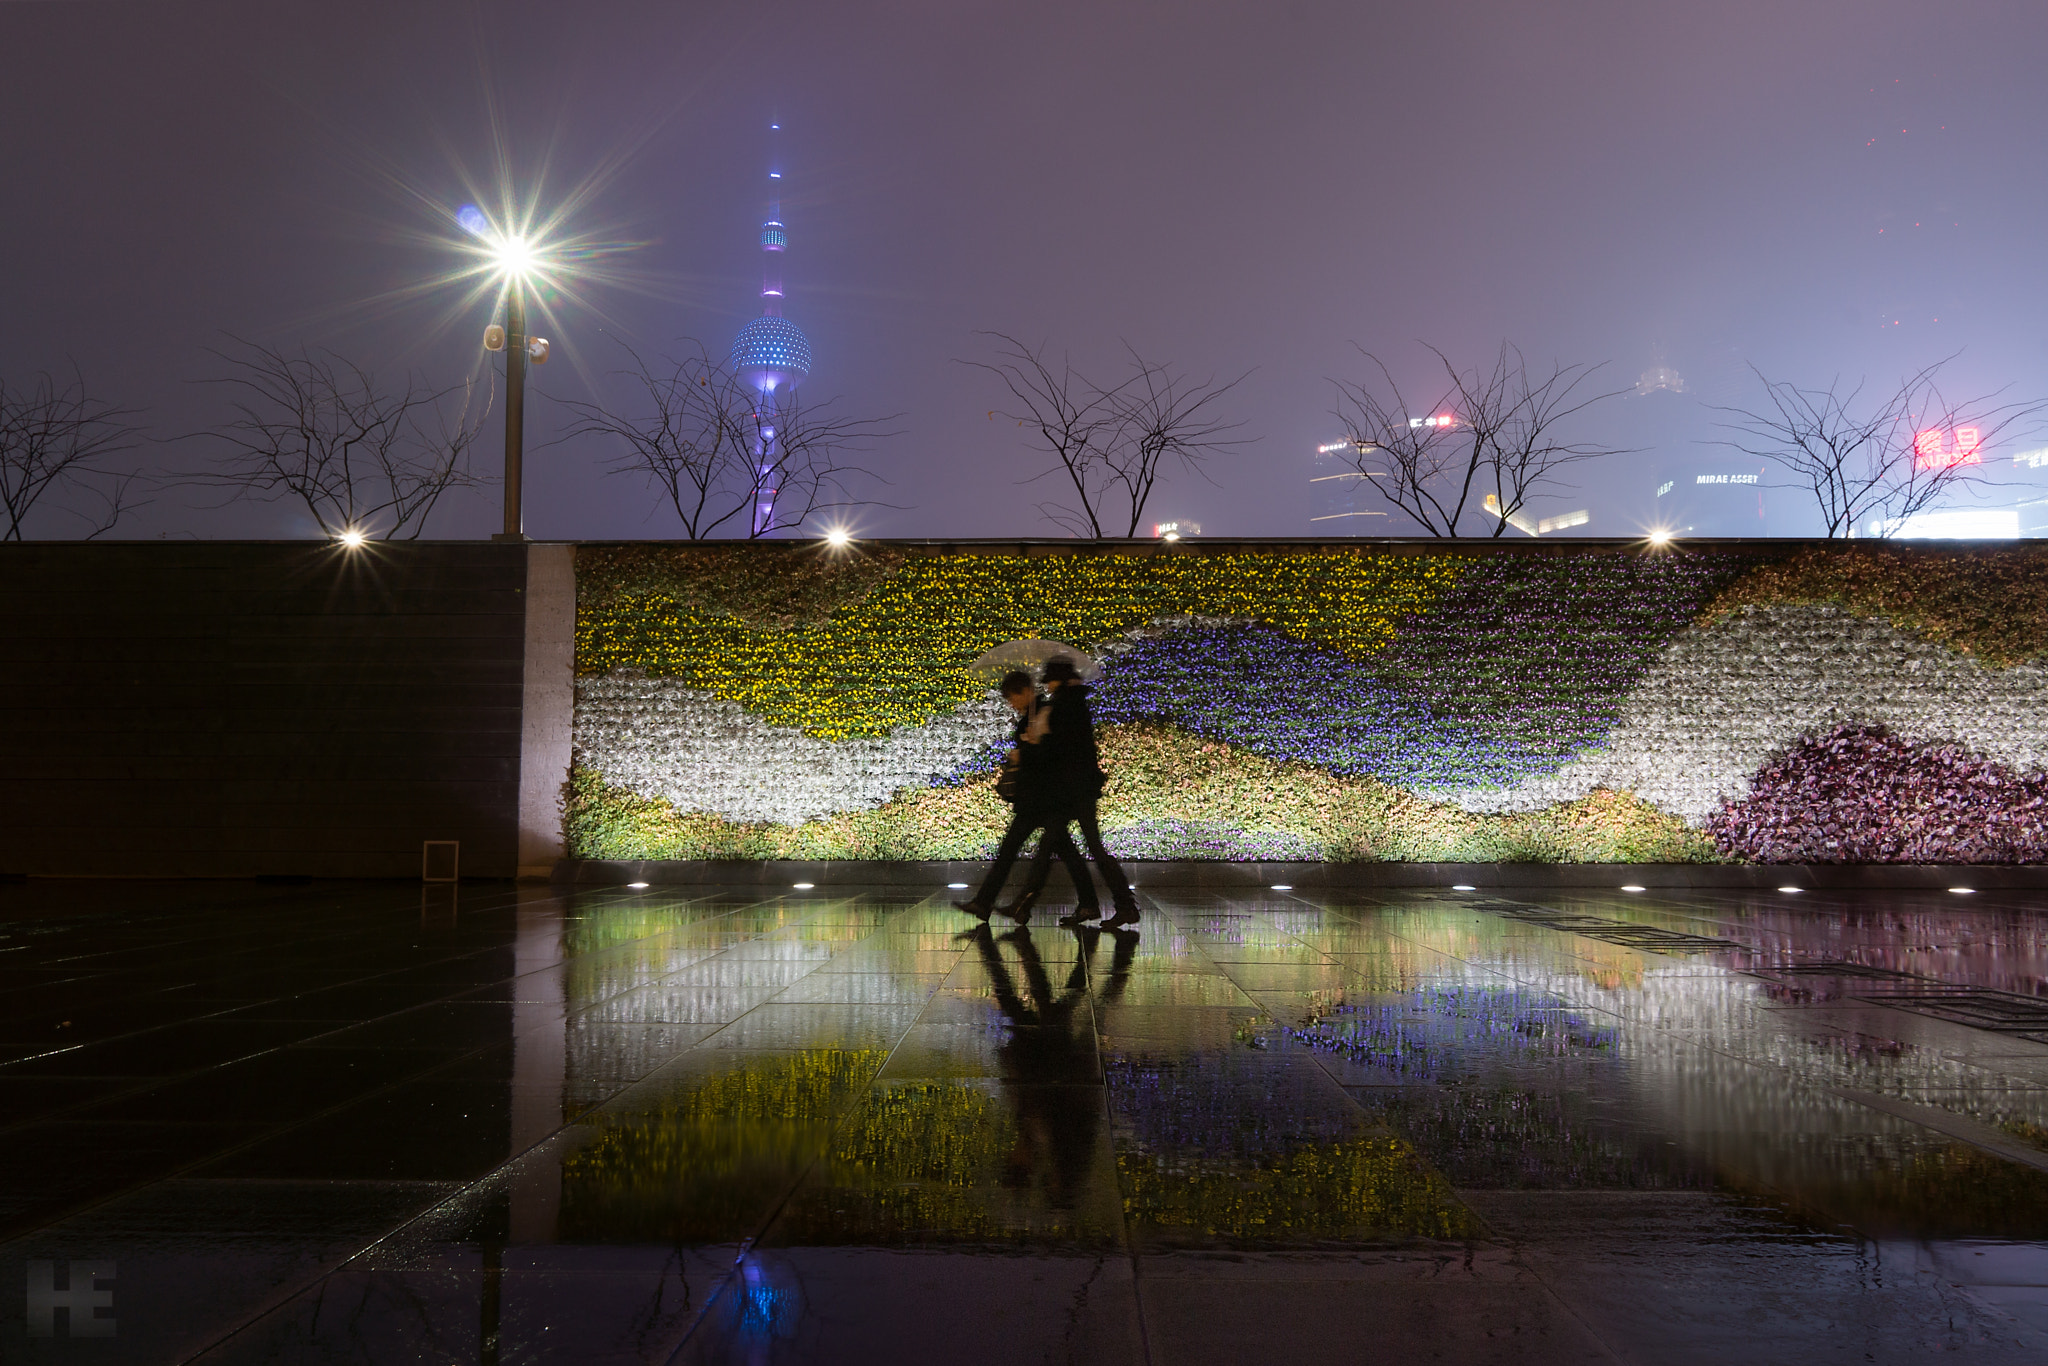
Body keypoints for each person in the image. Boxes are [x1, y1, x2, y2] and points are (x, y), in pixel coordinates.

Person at [954, 670, 1096, 924]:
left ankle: (1078, 904)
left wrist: (1026, 752)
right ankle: (987, 902)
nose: (1013, 704)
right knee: (1013, 850)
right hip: (1033, 799)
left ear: (1027, 691)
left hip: (1048, 799)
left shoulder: (1047, 712)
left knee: (1055, 852)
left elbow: (1052, 756)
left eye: (1014, 697)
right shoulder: (1026, 719)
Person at [1037, 654, 1141, 928]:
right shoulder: (1072, 701)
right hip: (1078, 787)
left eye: (1049, 681)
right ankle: (1103, 905)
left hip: (1074, 789)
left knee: (1084, 845)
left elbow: (1064, 747)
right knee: (1080, 844)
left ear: (1058, 680)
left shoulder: (1065, 704)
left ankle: (1114, 906)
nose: (1047, 687)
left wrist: (1043, 729)